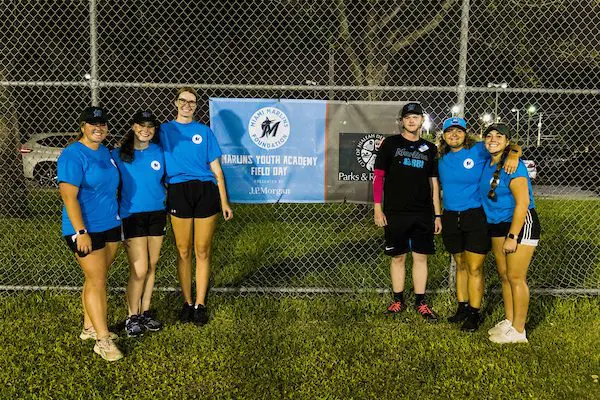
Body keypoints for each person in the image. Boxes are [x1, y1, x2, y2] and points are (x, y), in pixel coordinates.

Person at [437, 117, 519, 332]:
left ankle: (475, 313)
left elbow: (509, 144)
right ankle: (462, 307)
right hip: (450, 215)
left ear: (466, 133)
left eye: (458, 131)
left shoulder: (478, 150)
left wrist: (514, 154)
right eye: (449, 131)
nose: (454, 135)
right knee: (461, 263)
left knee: (474, 267)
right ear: (443, 136)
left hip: (474, 215)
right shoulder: (440, 156)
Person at [160, 87, 233, 325]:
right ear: (175, 103)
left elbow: (217, 171)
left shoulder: (204, 132)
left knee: (202, 250)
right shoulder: (164, 130)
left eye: (192, 102)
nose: (187, 105)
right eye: (183, 100)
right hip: (179, 190)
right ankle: (186, 302)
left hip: (205, 191)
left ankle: (200, 304)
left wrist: (224, 201)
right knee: (183, 250)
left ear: (196, 106)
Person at [57, 106, 123, 361]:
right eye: (93, 124)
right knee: (97, 281)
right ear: (83, 126)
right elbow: (68, 196)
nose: (99, 128)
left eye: (103, 124)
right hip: (86, 228)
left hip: (110, 224)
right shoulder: (73, 154)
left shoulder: (105, 151)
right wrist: (80, 231)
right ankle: (102, 340)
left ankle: (89, 327)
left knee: (96, 277)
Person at [373, 102, 442, 321]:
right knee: (398, 257)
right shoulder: (390, 144)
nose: (412, 121)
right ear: (402, 121)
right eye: (407, 117)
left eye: (416, 117)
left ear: (422, 120)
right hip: (396, 212)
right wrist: (377, 209)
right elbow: (378, 178)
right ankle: (398, 299)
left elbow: (434, 184)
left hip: (422, 212)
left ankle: (421, 302)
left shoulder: (430, 149)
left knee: (421, 258)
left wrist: (437, 215)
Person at [479, 123, 541, 344]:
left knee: (516, 277)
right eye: (489, 135)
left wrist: (513, 236)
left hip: (519, 223)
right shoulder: (488, 159)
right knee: (504, 275)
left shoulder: (515, 166)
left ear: (506, 141)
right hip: (497, 223)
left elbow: (523, 202)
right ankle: (509, 319)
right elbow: (514, 146)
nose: (493, 139)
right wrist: (514, 149)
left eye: (499, 136)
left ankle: (519, 330)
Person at [112, 110, 166, 337]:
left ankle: (145, 312)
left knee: (152, 265)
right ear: (133, 127)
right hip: (132, 215)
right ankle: (131, 316)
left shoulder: (160, 152)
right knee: (139, 268)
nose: (146, 130)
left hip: (157, 214)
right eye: (141, 126)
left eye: (150, 127)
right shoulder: (117, 154)